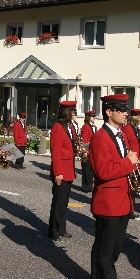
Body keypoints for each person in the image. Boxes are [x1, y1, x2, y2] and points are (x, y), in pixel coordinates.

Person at [89, 94, 139, 279]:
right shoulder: (100, 137)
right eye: (121, 109)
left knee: (116, 247)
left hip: (122, 199)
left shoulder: (122, 134)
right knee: (104, 247)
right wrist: (128, 162)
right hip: (108, 202)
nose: (126, 113)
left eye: (126, 109)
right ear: (109, 112)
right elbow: (103, 171)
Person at [49, 100, 77, 241]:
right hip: (61, 171)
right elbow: (56, 152)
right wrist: (58, 172)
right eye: (73, 111)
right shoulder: (57, 127)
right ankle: (54, 230)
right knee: (58, 203)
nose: (75, 114)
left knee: (64, 203)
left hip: (69, 170)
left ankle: (62, 228)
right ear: (67, 112)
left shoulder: (69, 127)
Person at [80, 110, 97, 192]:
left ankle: (89, 185)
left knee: (90, 170)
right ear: (89, 118)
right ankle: (86, 186)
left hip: (92, 150)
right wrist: (85, 152)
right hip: (87, 151)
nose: (94, 118)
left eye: (94, 116)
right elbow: (84, 140)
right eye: (93, 116)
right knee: (87, 170)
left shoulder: (94, 127)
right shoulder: (86, 126)